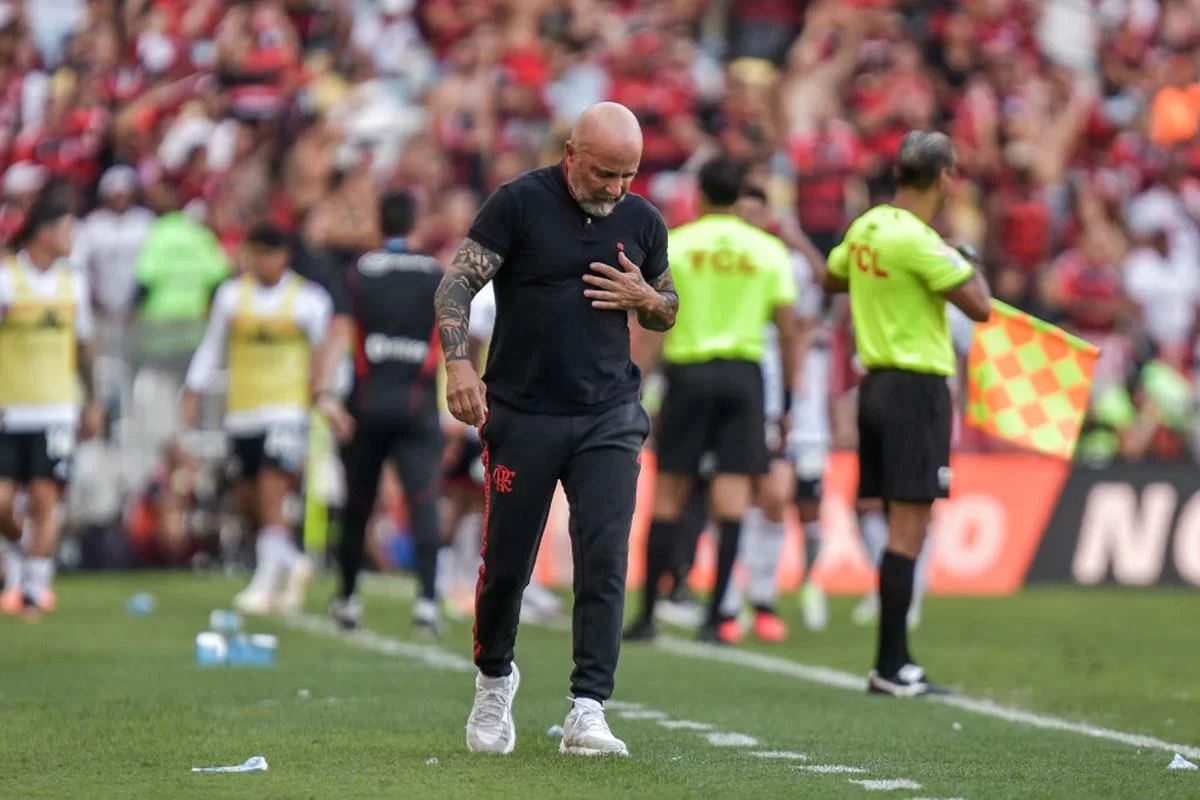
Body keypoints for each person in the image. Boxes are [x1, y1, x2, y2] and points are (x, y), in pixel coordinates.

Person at [435, 101, 677, 757]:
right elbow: (455, 287)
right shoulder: (517, 203)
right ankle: (493, 683)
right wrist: (459, 363)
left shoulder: (643, 219)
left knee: (604, 559)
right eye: (604, 173)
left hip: (609, 415)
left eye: (628, 175)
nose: (616, 188)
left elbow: (667, 307)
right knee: (506, 568)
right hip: (522, 412)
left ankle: (588, 709)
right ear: (572, 154)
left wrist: (648, 302)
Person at [820, 130, 992, 697]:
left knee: (896, 522)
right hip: (916, 389)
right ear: (944, 178)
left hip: (874, 386)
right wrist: (965, 256)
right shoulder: (921, 241)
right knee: (908, 530)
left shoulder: (868, 226)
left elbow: (832, 275)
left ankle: (892, 662)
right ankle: (893, 666)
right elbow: (982, 306)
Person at [624, 156, 798, 643]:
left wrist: (636, 385)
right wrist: (787, 398)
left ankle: (647, 616)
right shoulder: (767, 250)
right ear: (742, 194)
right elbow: (787, 330)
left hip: (689, 374)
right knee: (732, 495)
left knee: (670, 494)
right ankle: (714, 619)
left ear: (698, 194)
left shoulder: (677, 244)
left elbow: (655, 324)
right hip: (744, 376)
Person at [181, 224, 333, 616]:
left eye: (267, 253)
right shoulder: (232, 297)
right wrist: (194, 389)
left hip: (286, 411)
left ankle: (265, 584)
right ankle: (291, 561)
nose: (259, 261)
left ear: (284, 256)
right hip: (242, 413)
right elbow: (213, 345)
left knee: (271, 491)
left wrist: (329, 398)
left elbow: (327, 357)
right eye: (254, 253)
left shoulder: (309, 301)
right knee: (248, 498)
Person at [315, 191, 446, 636]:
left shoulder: (360, 271)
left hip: (366, 407)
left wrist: (323, 393)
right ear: (416, 224)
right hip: (417, 405)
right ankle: (427, 603)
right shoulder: (435, 273)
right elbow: (451, 339)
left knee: (357, 507)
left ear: (379, 224)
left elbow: (339, 330)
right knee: (424, 502)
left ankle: (349, 599)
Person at [0, 191, 100, 616]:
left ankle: (35, 588)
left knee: (46, 498)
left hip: (56, 409)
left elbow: (83, 345)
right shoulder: (8, 279)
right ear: (45, 233)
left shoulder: (73, 282)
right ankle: (21, 562)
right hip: (9, 408)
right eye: (66, 230)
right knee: (2, 503)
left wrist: (92, 399)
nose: (72, 239)